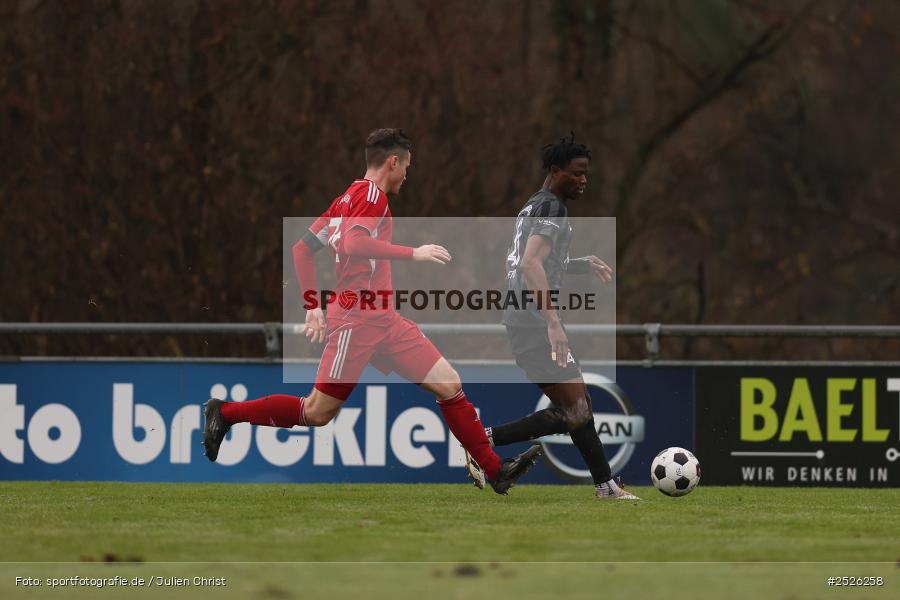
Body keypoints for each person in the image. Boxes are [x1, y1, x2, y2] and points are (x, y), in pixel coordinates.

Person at [202, 128, 541, 494]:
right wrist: (414, 252)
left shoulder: (347, 197)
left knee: (449, 384)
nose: (407, 175)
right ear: (392, 162)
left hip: (384, 319)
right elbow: (354, 242)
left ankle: (495, 470)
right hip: (357, 321)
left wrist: (314, 306)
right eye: (407, 166)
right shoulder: (372, 196)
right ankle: (224, 413)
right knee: (317, 412)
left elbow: (302, 250)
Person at [466, 133, 639, 500]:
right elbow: (529, 264)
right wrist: (553, 321)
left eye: (586, 173)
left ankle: (605, 485)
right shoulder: (553, 208)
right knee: (575, 409)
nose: (583, 180)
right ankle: (481, 441)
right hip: (534, 322)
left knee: (576, 408)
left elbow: (530, 261)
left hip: (523, 320)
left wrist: (580, 264)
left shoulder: (536, 204)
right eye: (577, 173)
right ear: (556, 170)